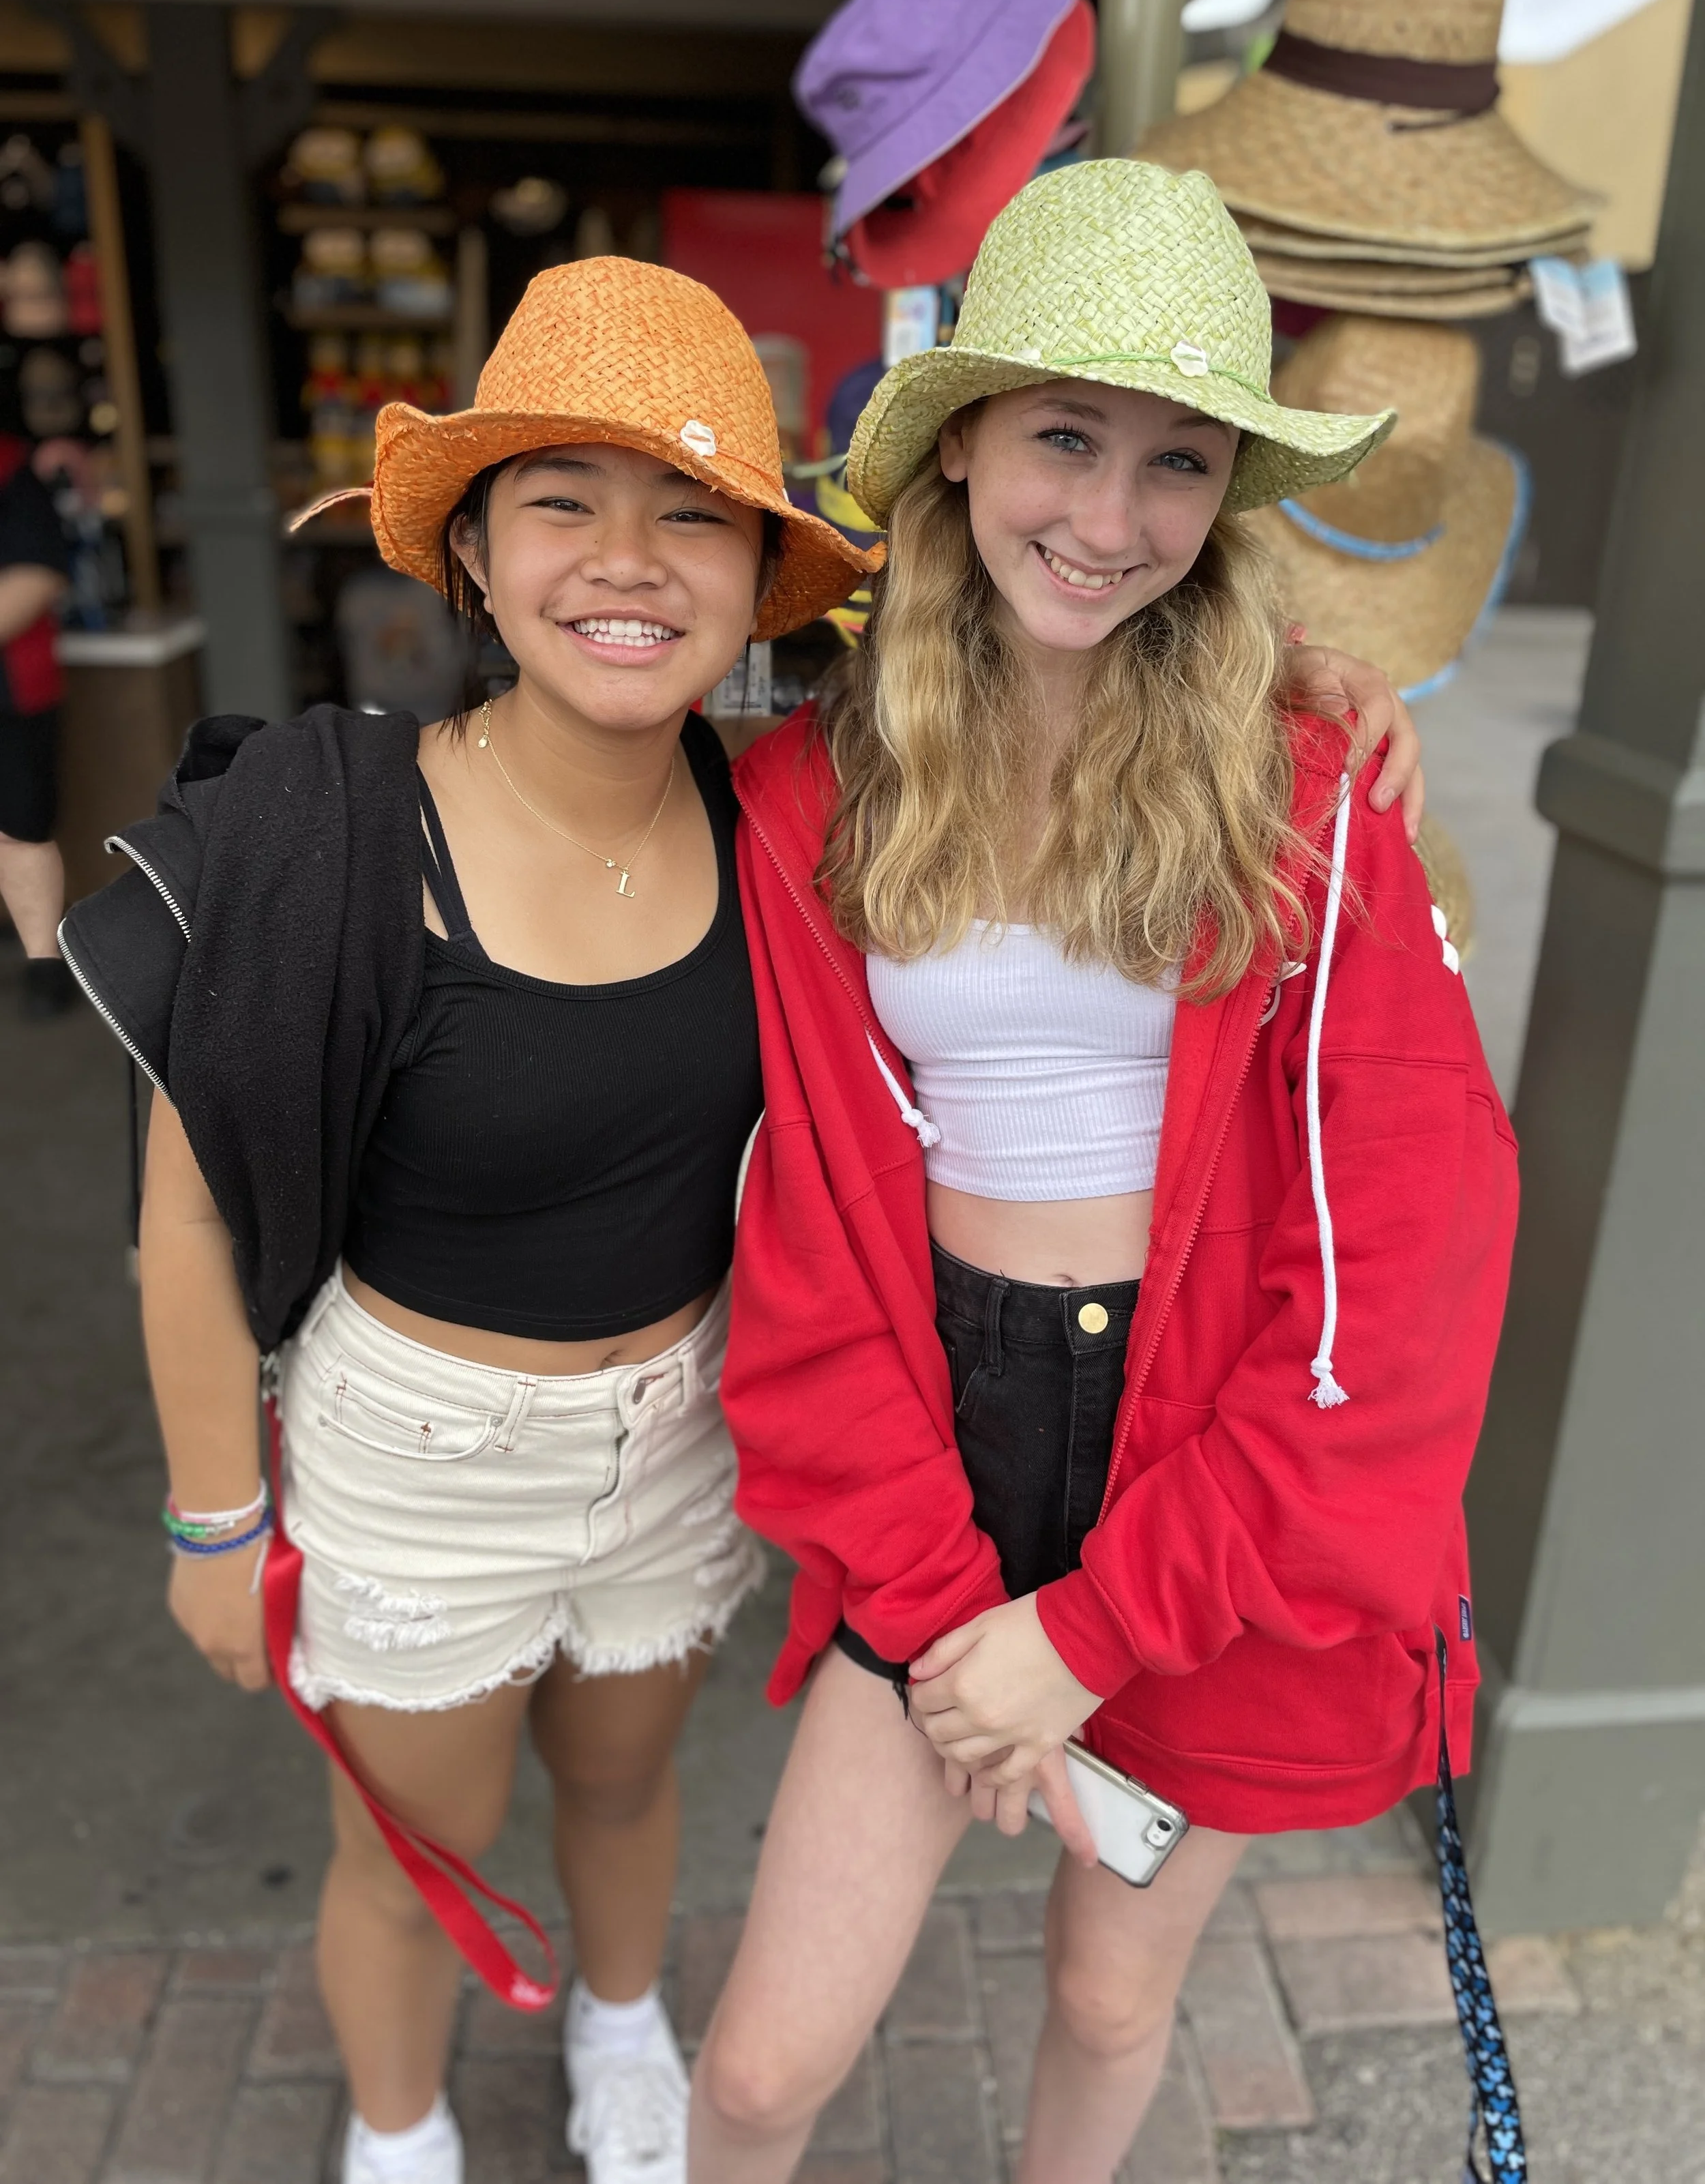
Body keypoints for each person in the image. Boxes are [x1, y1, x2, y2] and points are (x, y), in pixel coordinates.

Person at [62, 252, 1421, 2184]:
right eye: (560, 502)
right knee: (413, 1843)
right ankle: (399, 2132)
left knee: (624, 1789)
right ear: (466, 551)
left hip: (682, 1427)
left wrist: (1306, 677)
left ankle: (622, 2029)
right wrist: (215, 1509)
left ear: (754, 573)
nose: (626, 560)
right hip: (422, 1444)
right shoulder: (346, 828)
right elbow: (184, 1196)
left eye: (689, 510)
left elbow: (1082, 669)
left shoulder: (782, 797)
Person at [690, 161, 1517, 2184]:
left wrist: (1090, 1627)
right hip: (941, 1436)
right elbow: (807, 1251)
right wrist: (957, 1606)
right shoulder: (816, 792)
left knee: (1103, 2000)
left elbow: (1401, 1278)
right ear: (961, 438)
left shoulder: (1304, 785)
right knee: (761, 2069)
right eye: (1063, 435)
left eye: (1173, 463)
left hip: (1209, 1456)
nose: (1107, 515)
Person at [0, 392, 75, 1021]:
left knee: (19, 828)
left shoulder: (12, 475)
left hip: (9, 688)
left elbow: (36, 577)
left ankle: (44, 962)